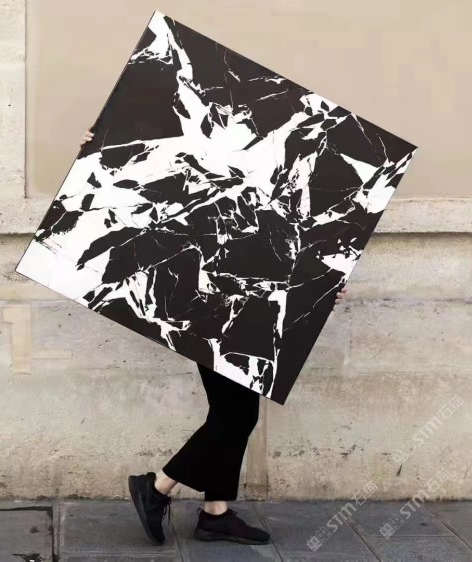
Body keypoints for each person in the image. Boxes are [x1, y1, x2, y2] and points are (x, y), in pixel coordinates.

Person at [80, 129, 348, 545]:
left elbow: (284, 248)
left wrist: (323, 283)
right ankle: (157, 487)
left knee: (232, 412)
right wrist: (99, 142)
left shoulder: (272, 192)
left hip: (248, 312)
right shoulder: (215, 183)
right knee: (235, 416)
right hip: (216, 313)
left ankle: (215, 513)